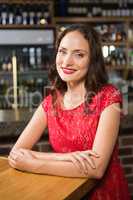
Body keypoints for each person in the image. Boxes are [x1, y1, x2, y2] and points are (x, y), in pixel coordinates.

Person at [8, 24, 130, 200]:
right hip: (65, 193)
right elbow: (16, 153)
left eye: (79, 54)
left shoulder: (109, 97)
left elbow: (96, 168)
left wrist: (33, 162)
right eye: (62, 51)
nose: (66, 62)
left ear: (93, 60)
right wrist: (68, 157)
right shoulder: (51, 101)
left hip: (105, 194)